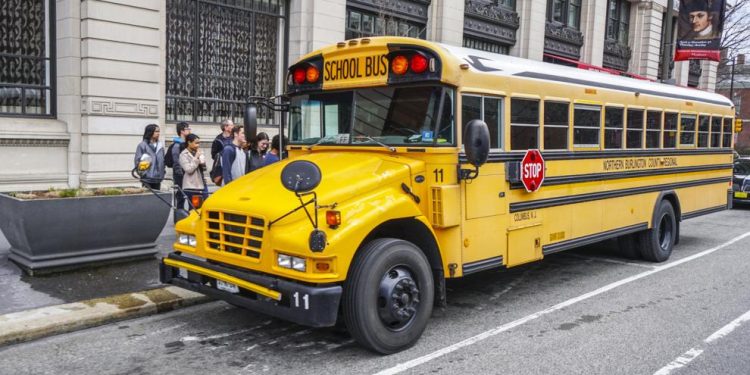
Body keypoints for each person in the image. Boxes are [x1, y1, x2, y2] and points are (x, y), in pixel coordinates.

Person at [179, 133, 208, 210]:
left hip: (202, 183)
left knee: (204, 206)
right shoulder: (183, 154)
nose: (198, 145)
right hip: (191, 185)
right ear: (189, 142)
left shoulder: (198, 152)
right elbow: (188, 169)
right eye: (196, 143)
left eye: (199, 143)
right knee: (193, 209)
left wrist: (203, 162)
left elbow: (204, 169)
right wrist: (196, 157)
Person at [133, 124, 165, 190]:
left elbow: (163, 161)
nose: (158, 133)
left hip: (158, 178)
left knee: (157, 199)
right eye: (156, 131)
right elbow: (137, 162)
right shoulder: (142, 145)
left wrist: (162, 172)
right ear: (150, 132)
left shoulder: (160, 146)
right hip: (147, 179)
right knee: (148, 199)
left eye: (159, 131)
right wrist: (144, 174)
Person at [170, 122, 191, 210]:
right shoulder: (177, 145)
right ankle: (179, 215)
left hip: (189, 172)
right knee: (180, 195)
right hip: (180, 174)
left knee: (190, 194)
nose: (190, 130)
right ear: (182, 131)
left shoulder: (188, 143)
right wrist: (180, 174)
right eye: (188, 129)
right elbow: (176, 162)